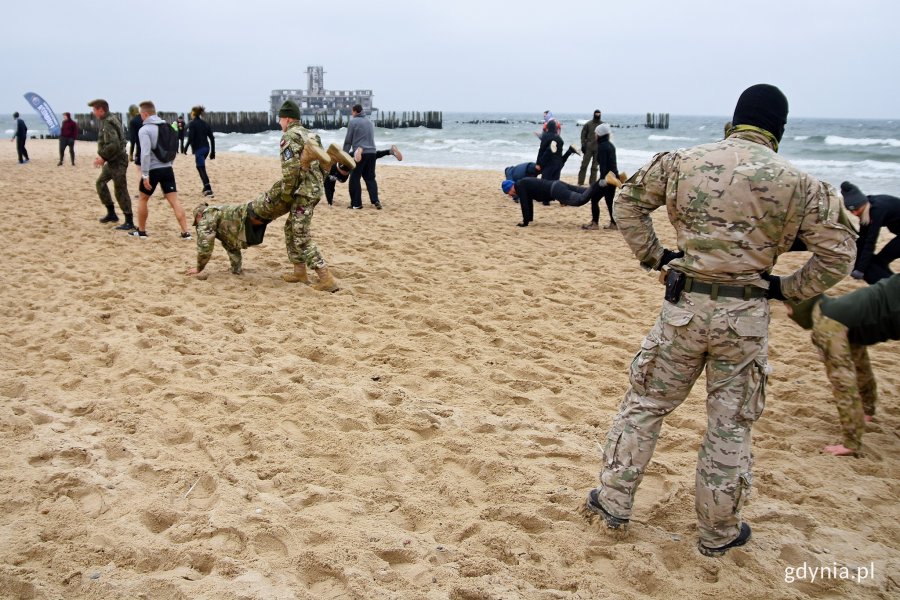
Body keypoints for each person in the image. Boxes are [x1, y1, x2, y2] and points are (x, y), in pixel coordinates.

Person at [582, 84, 857, 558]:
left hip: (683, 309)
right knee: (729, 426)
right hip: (745, 319)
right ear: (780, 130)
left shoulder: (682, 161)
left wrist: (656, 257)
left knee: (645, 405)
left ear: (732, 122)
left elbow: (626, 200)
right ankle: (717, 533)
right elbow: (839, 255)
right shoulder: (802, 183)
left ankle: (612, 503)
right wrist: (787, 288)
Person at [783, 274, 899, 457]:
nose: (788, 314)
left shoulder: (828, 326)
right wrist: (867, 409)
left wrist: (851, 442)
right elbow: (861, 366)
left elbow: (843, 383)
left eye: (789, 308)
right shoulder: (838, 310)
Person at [276, 100, 339, 292]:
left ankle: (325, 276)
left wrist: (286, 195)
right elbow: (322, 165)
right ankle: (299, 271)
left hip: (301, 191)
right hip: (314, 189)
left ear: (287, 119)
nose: (279, 123)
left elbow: (289, 172)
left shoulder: (289, 136)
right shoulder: (312, 135)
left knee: (301, 235)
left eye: (280, 120)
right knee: (290, 228)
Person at [129, 100, 191, 240]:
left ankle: (142, 231)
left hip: (152, 170)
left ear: (145, 114)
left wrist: (145, 175)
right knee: (174, 201)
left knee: (143, 199)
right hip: (167, 168)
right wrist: (169, 163)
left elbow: (145, 154)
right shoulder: (166, 127)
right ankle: (185, 232)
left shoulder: (144, 130)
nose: (140, 117)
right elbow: (172, 148)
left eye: (141, 115)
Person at [186, 201, 271, 279]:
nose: (198, 225)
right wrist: (236, 270)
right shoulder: (220, 218)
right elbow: (231, 246)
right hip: (253, 216)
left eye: (197, 222)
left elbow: (205, 247)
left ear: (199, 215)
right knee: (227, 241)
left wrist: (198, 268)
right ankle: (236, 269)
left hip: (251, 215)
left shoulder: (206, 217)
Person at [501, 174, 619, 227]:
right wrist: (529, 219)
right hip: (557, 184)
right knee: (584, 191)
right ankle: (606, 185)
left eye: (508, 193)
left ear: (510, 188)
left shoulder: (519, 186)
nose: (510, 196)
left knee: (580, 200)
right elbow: (528, 202)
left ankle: (600, 182)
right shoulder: (523, 183)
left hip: (555, 191)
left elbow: (525, 205)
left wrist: (525, 223)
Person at [839, 181, 900, 284]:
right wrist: (854, 260)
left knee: (877, 262)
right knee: (878, 262)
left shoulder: (877, 210)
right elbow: (862, 238)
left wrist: (860, 269)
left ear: (863, 204)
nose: (855, 213)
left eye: (857, 209)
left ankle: (892, 290)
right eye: (851, 211)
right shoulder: (866, 210)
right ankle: (892, 287)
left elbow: (870, 243)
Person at [88, 99, 134, 230]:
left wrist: (102, 157)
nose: (93, 113)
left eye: (94, 110)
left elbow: (113, 144)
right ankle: (111, 213)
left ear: (101, 110)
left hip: (118, 161)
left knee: (120, 190)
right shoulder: (110, 119)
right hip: (113, 160)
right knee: (100, 183)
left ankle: (129, 220)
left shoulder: (108, 122)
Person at [324, 145, 398, 205]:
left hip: (339, 169)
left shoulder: (329, 171)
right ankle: (389, 151)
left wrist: (330, 202)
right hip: (343, 169)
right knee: (372, 155)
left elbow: (328, 187)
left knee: (329, 183)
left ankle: (357, 154)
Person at [343, 103, 382, 209]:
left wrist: (344, 155)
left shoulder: (353, 121)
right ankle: (375, 201)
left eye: (352, 111)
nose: (352, 113)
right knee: (370, 178)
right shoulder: (369, 122)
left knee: (355, 178)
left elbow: (348, 140)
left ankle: (356, 204)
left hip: (359, 153)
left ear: (355, 111)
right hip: (372, 152)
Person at [581, 123, 619, 230]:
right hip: (614, 177)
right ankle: (614, 223)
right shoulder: (611, 145)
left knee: (594, 198)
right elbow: (612, 164)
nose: (595, 135)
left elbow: (603, 165)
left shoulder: (602, 146)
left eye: (596, 133)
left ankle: (594, 223)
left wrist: (602, 179)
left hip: (606, 178)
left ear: (600, 134)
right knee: (609, 201)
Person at [183, 105, 216, 198]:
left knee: (201, 168)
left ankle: (208, 189)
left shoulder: (192, 124)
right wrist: (213, 152)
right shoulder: (205, 124)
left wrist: (185, 148)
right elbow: (212, 138)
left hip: (199, 150)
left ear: (193, 113)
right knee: (200, 167)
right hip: (206, 148)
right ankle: (205, 187)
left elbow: (190, 137)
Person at [578, 110, 603, 185]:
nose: (597, 115)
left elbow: (606, 136)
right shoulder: (588, 124)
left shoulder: (602, 125)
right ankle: (580, 182)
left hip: (598, 148)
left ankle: (592, 183)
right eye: (596, 113)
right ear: (594, 114)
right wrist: (583, 145)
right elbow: (583, 135)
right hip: (588, 147)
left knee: (595, 168)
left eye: (599, 114)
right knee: (584, 165)